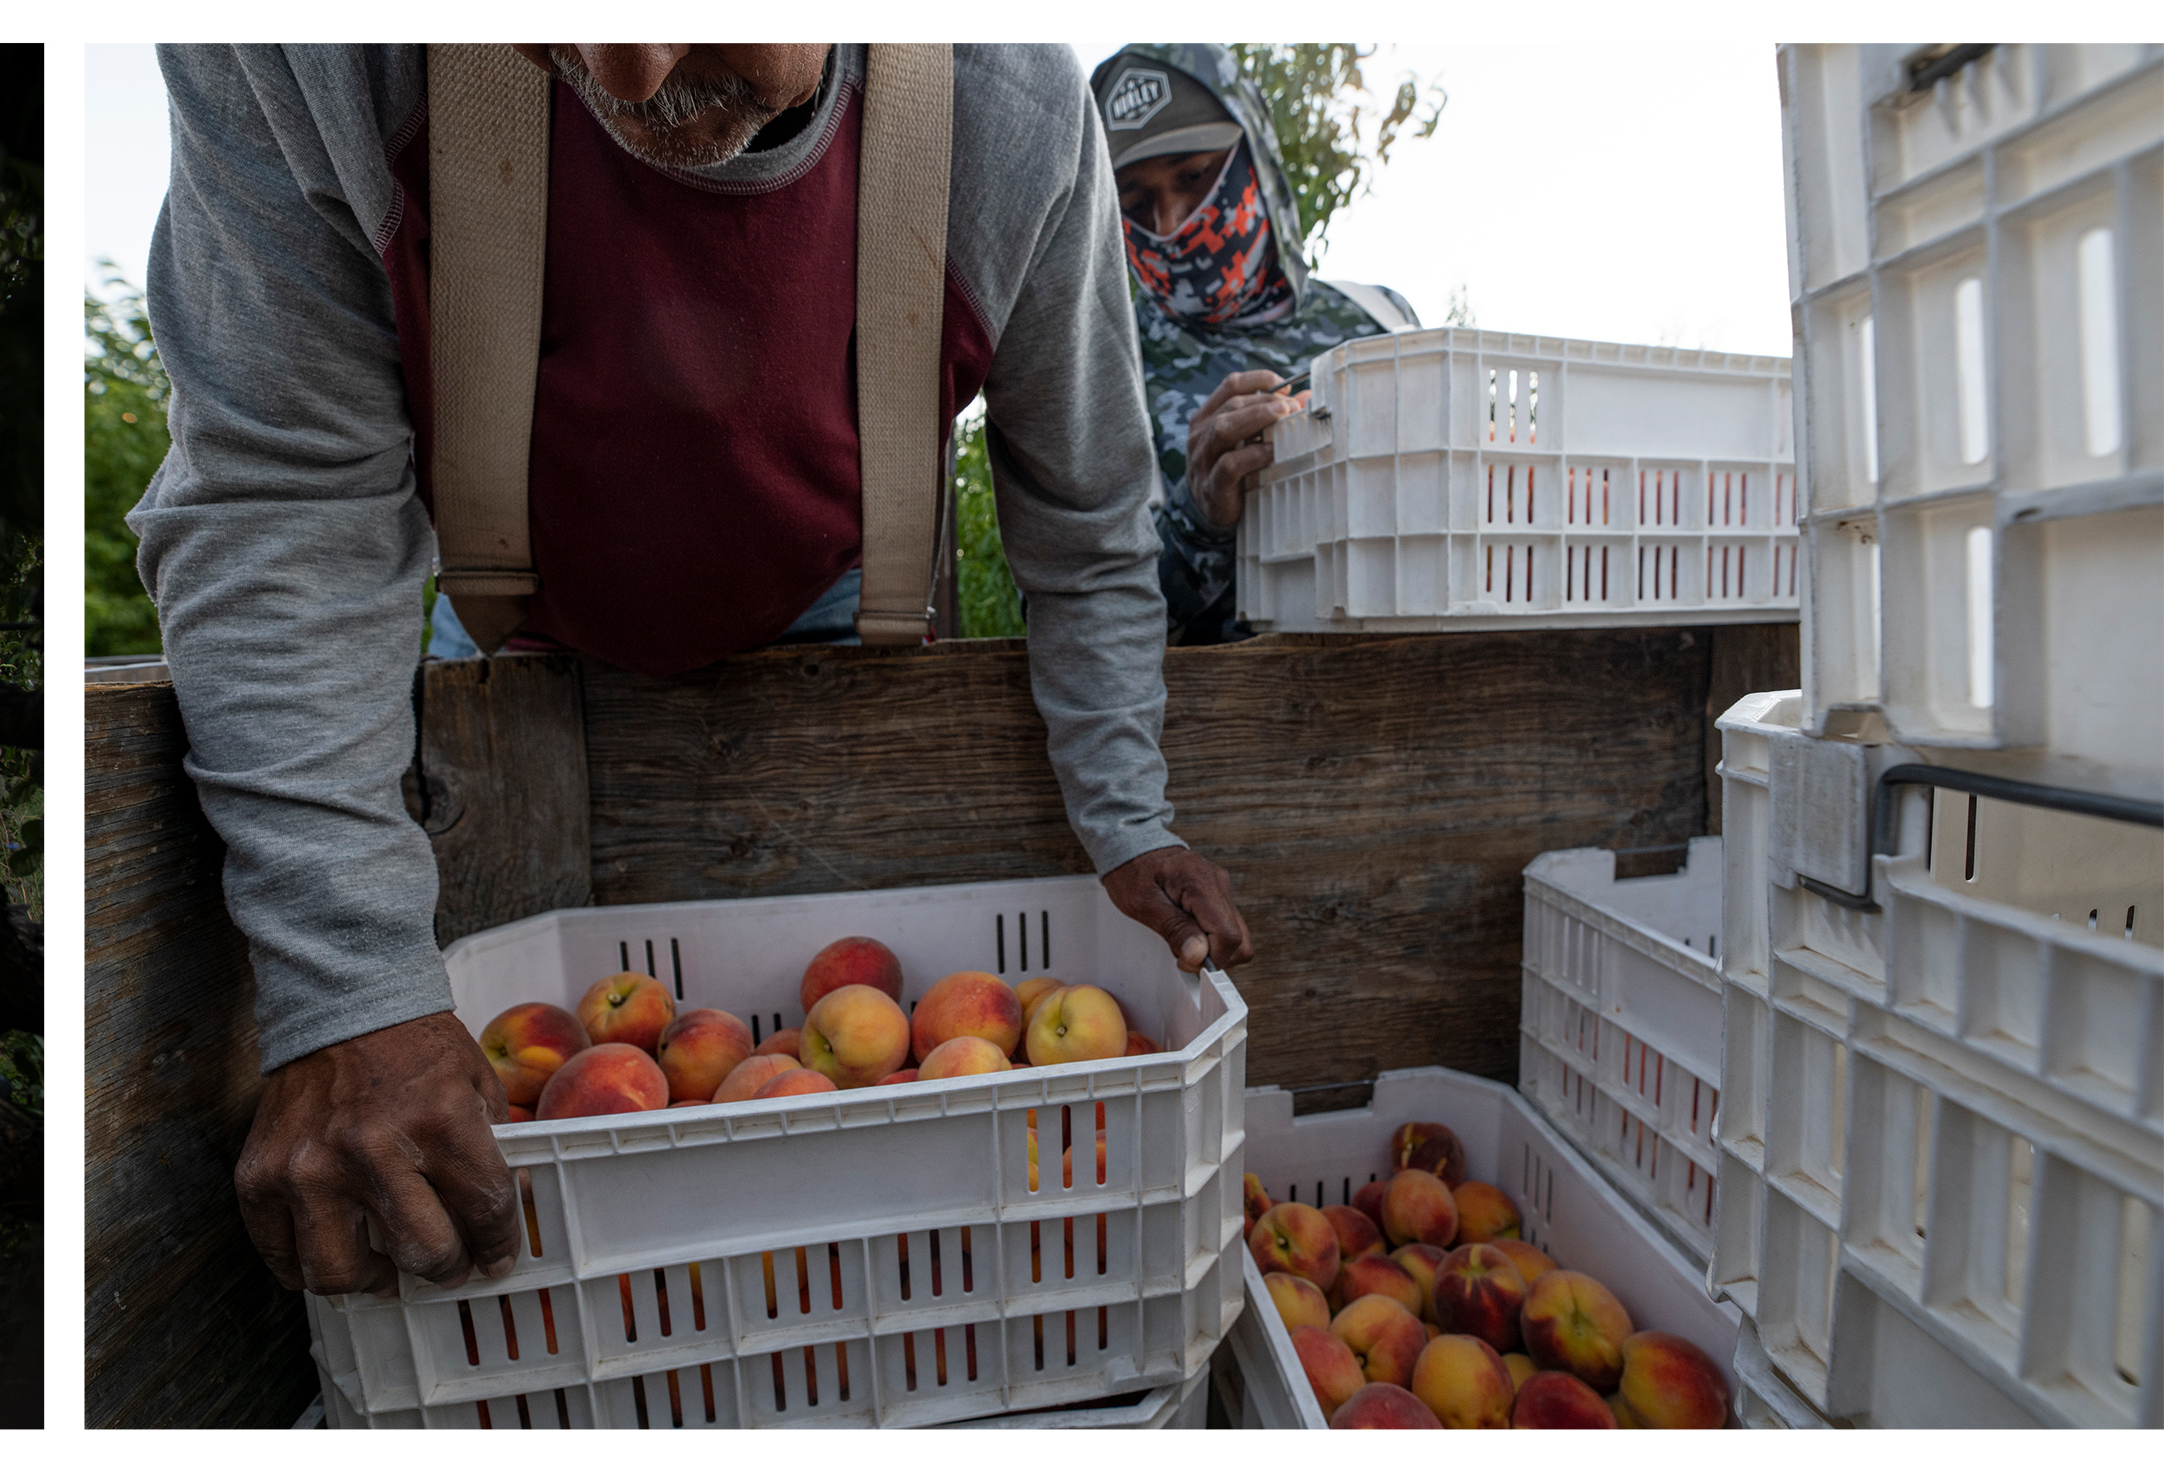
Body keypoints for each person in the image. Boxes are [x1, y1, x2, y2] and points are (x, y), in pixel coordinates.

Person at [131, 43, 1260, 1300]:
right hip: (503, 613)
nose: (625, 66)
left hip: (830, 598)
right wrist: (347, 983)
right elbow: (283, 497)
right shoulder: (317, 49)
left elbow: (1087, 517)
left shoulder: (1009, 124)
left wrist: (1125, 811)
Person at [1089, 45, 1422, 644]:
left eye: (1194, 178)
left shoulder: (1381, 319)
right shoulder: (1101, 367)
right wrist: (1198, 524)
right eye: (1135, 204)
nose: (1170, 226)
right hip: (1228, 729)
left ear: (1256, 158)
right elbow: (1074, 631)